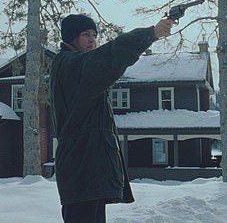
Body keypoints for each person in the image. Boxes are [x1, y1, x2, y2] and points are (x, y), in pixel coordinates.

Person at [49, 14, 174, 223]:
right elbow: (110, 55)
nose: (92, 40)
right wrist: (150, 34)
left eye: (94, 35)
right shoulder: (73, 65)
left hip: (87, 168)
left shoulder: (77, 65)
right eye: (85, 34)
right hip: (82, 167)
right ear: (71, 38)